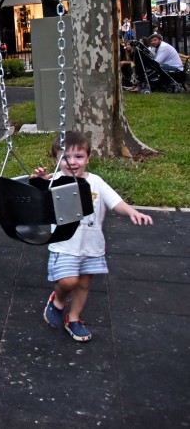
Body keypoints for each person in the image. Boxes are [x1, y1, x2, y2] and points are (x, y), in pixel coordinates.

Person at [35, 131, 153, 342]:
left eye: (78, 156)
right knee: (69, 281)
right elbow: (38, 199)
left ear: (88, 158)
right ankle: (58, 301)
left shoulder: (96, 182)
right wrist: (40, 181)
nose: (72, 162)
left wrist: (132, 211)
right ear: (56, 160)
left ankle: (73, 318)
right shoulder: (55, 180)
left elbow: (116, 202)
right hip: (64, 245)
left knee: (83, 284)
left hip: (92, 246)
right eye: (65, 157)